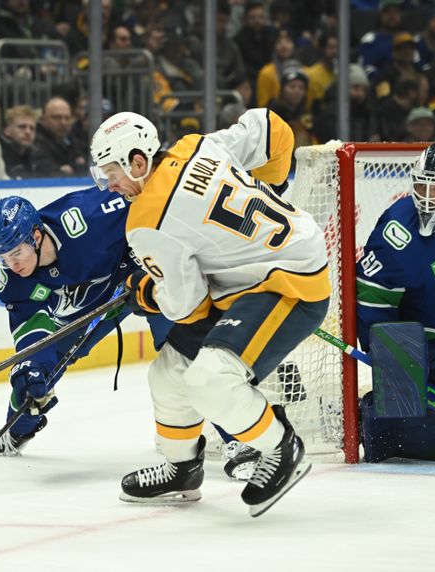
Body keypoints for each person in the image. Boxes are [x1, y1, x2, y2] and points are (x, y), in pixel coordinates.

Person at [88, 109, 331, 515]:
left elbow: (187, 306)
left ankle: (280, 446)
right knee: (169, 374)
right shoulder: (197, 145)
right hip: (268, 268)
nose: (108, 184)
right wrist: (270, 186)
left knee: (209, 380)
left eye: (112, 172)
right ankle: (182, 469)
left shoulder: (147, 221)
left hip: (287, 282)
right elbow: (270, 126)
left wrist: (148, 293)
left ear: (138, 160)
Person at [0, 190, 173, 457]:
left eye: (15, 253)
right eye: (1, 257)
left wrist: (143, 259)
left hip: (146, 277)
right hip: (96, 304)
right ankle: (15, 432)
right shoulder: (12, 282)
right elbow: (34, 332)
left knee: (181, 348)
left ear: (36, 236)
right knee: (35, 376)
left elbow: (151, 199)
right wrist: (32, 366)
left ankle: (226, 435)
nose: (10, 264)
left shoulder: (89, 215)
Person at [357, 141, 435, 462]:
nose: (426, 197)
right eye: (422, 186)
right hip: (428, 344)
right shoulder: (399, 230)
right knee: (400, 411)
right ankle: (380, 425)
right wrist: (395, 361)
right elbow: (373, 299)